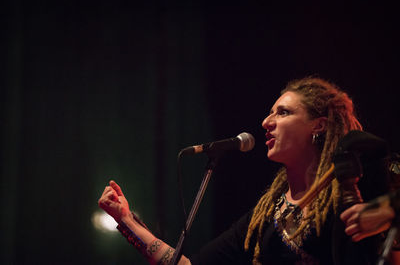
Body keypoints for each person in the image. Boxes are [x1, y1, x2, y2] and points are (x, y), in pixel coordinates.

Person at [98, 76, 391, 264]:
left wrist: (389, 209)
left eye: (284, 112)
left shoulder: (356, 177)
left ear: (319, 125)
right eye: (271, 112)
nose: (266, 121)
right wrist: (126, 221)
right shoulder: (266, 215)